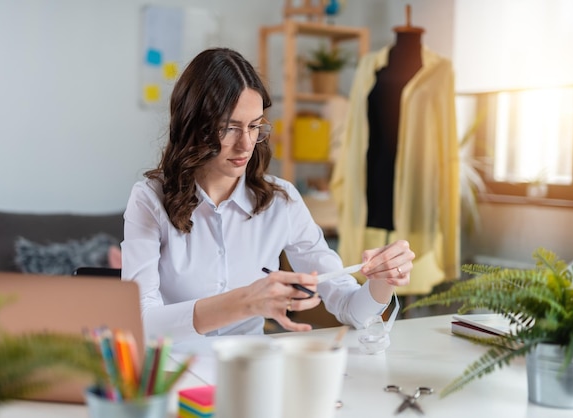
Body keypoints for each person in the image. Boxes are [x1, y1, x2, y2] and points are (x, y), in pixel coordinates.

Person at [121, 47, 415, 343]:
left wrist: (381, 281)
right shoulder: (150, 199)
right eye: (229, 128)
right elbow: (141, 321)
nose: (245, 144)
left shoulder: (281, 201)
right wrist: (245, 302)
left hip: (252, 368)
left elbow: (352, 309)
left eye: (255, 126)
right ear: (193, 126)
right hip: (173, 371)